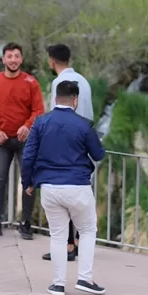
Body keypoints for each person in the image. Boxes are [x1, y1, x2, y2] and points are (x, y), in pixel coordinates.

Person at [22, 80, 106, 295]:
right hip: (77, 186)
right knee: (87, 230)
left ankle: (58, 284)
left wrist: (27, 182)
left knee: (58, 235)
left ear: (55, 98)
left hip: (49, 187)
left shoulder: (40, 123)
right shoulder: (84, 124)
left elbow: (28, 155)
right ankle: (85, 279)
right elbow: (98, 154)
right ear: (75, 100)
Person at [0, 42, 44, 240]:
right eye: (10, 56)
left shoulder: (31, 83)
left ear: (21, 59)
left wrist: (27, 125)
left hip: (25, 139)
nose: (13, 60)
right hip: (1, 140)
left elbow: (39, 110)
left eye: (17, 56)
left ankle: (25, 223)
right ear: (3, 59)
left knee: (28, 180)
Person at [41, 43, 93, 263]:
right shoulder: (85, 81)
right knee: (79, 193)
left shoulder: (58, 83)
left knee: (64, 192)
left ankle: (68, 244)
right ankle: (80, 241)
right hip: (84, 138)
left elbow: (58, 115)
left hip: (65, 143)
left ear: (51, 61)